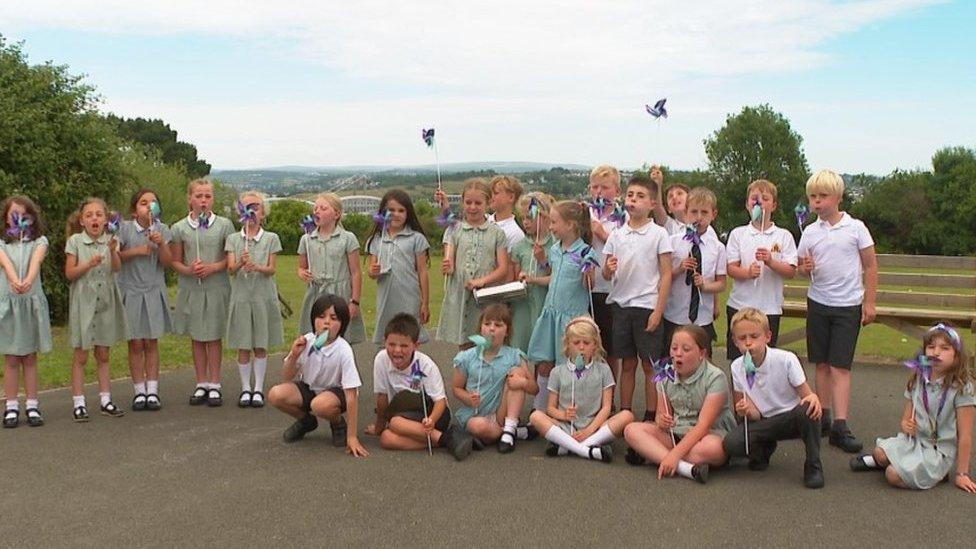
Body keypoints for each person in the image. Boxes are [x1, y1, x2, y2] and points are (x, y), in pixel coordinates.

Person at [797, 169, 878, 453]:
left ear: (839, 197)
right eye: (812, 197)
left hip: (848, 305)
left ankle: (841, 426)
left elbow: (870, 265)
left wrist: (869, 302)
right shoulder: (809, 231)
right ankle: (824, 417)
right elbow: (800, 268)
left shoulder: (855, 228)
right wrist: (804, 269)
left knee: (840, 366)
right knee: (820, 362)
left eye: (822, 196)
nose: (817, 202)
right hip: (818, 302)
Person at [850, 323, 975, 492]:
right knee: (879, 453)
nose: (936, 353)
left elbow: (965, 434)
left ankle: (936, 473)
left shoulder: (961, 387)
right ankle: (905, 465)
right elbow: (906, 418)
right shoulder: (919, 377)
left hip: (938, 451)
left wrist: (962, 474)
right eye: (931, 347)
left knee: (892, 474)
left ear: (957, 355)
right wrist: (906, 425)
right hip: (914, 441)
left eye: (945, 348)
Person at [723, 308, 825, 488]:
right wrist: (745, 410)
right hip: (764, 421)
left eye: (754, 336)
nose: (748, 343)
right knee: (732, 443)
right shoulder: (737, 367)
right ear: (734, 341)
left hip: (791, 417)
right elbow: (751, 415)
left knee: (808, 409)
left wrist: (813, 397)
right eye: (742, 338)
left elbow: (807, 396)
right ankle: (764, 448)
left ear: (767, 336)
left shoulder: (786, 359)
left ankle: (813, 464)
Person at [623, 325, 736, 484]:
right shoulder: (664, 376)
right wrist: (661, 421)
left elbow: (703, 426)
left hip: (707, 434)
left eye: (686, 349)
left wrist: (674, 455)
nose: (678, 354)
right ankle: (686, 469)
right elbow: (661, 417)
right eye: (674, 348)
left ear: (702, 353)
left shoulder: (715, 378)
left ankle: (656, 455)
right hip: (677, 432)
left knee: (714, 448)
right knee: (631, 430)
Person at [602, 174, 672, 420]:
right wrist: (608, 269)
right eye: (631, 195)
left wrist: (658, 311)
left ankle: (651, 415)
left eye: (641, 196)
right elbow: (606, 272)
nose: (634, 200)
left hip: (647, 306)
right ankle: (625, 412)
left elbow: (666, 275)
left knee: (649, 365)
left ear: (652, 203)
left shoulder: (659, 234)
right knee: (627, 364)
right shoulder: (616, 234)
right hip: (621, 306)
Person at [267, 294, 369, 457]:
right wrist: (294, 355)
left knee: (319, 405)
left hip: (335, 393)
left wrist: (352, 436)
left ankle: (337, 424)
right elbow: (286, 377)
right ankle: (306, 421)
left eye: (333, 318)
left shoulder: (343, 350)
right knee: (275, 394)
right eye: (321, 317)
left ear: (342, 324)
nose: (326, 322)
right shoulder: (307, 341)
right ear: (313, 320)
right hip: (310, 388)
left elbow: (351, 395)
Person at [367, 313, 473, 460]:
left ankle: (444, 437)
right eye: (392, 345)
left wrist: (432, 421)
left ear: (416, 346)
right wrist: (378, 427)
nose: (397, 350)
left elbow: (440, 402)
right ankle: (447, 440)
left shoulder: (425, 365)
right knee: (386, 439)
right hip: (405, 414)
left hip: (434, 414)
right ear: (385, 342)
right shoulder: (381, 359)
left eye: (404, 345)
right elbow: (382, 397)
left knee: (395, 423)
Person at [525, 200, 597, 412]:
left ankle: (566, 412)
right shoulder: (555, 250)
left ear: (571, 225)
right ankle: (540, 412)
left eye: (554, 222)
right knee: (545, 365)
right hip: (551, 316)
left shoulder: (586, 252)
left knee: (569, 368)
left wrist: (588, 274)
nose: (550, 227)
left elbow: (589, 286)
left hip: (571, 320)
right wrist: (533, 276)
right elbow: (553, 278)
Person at [529, 317, 633, 461]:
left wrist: (589, 430)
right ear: (568, 345)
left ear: (595, 345)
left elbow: (606, 407)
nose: (581, 347)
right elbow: (550, 409)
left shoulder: (604, 369)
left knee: (627, 415)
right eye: (576, 343)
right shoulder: (557, 372)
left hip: (594, 424)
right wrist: (564, 415)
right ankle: (588, 449)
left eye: (586, 343)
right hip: (566, 426)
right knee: (536, 417)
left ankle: (568, 446)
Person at [170, 179, 235, 406]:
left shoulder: (225, 225)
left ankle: (215, 383)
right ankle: (201, 383)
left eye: (207, 196)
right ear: (190, 199)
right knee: (197, 336)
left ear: (212, 199)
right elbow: (175, 261)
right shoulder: (179, 228)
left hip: (216, 286)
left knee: (213, 335)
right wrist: (189, 269)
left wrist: (213, 267)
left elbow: (230, 257)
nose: (203, 200)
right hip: (192, 288)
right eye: (199, 196)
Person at [64, 198, 128, 421]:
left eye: (99, 215)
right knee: (81, 354)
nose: (94, 219)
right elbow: (70, 274)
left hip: (105, 302)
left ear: (106, 220)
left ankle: (105, 399)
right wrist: (88, 264)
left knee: (103, 353)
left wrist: (113, 252)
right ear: (82, 220)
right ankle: (79, 402)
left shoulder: (112, 240)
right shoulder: (75, 242)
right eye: (89, 215)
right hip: (84, 301)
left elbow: (117, 268)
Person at [725, 179, 797, 360]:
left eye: (765, 199)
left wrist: (772, 262)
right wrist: (747, 273)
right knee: (739, 361)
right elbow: (730, 268)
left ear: (773, 205)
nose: (759, 203)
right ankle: (740, 390)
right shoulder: (738, 234)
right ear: (747, 204)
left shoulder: (783, 236)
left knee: (764, 362)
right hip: (740, 306)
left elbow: (790, 271)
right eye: (754, 198)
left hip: (769, 308)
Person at [452, 304, 538, 453]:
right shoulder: (467, 357)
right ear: (480, 329)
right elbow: (456, 388)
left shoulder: (514, 355)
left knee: (517, 372)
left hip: (501, 413)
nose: (491, 329)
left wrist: (522, 382)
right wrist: (467, 398)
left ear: (507, 332)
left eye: (498, 325)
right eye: (487, 324)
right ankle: (513, 433)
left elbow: (535, 389)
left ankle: (509, 428)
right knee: (477, 426)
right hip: (476, 414)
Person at [225, 191, 283, 408]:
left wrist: (256, 266)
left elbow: (271, 269)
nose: (252, 211)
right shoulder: (233, 239)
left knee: (260, 344)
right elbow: (231, 269)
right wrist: (241, 262)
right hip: (241, 298)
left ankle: (258, 388)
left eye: (256, 207)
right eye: (247, 207)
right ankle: (245, 389)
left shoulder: (271, 239)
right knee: (243, 345)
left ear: (263, 212)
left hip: (262, 298)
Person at [117, 189, 173, 411]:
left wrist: (161, 244)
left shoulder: (162, 229)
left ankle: (152, 391)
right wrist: (137, 251)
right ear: (134, 210)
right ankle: (139, 391)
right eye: (143, 203)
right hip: (131, 290)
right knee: (135, 342)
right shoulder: (124, 229)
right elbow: (116, 257)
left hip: (152, 290)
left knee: (151, 341)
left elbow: (167, 262)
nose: (148, 207)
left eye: (153, 203)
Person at [437, 178, 509, 347]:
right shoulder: (454, 229)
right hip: (461, 293)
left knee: (486, 343)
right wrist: (448, 266)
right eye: (468, 202)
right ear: (462, 202)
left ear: (488, 203)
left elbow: (503, 268)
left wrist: (482, 281)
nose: (473, 207)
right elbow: (449, 259)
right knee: (465, 345)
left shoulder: (496, 233)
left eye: (478, 203)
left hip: (485, 296)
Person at [0, 195, 52, 427]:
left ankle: (32, 405)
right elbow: (7, 265)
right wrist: (14, 280)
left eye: (24, 215)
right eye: (14, 215)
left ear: (31, 218)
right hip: (9, 305)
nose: (18, 219)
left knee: (30, 357)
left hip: (29, 304)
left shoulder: (39, 242)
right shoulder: (2, 244)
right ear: (6, 219)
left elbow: (36, 263)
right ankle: (11, 406)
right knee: (11, 358)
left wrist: (28, 280)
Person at [662, 187, 726, 358]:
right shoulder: (672, 242)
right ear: (686, 213)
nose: (699, 217)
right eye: (694, 212)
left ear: (713, 214)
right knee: (673, 361)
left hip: (702, 317)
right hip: (675, 315)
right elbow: (663, 277)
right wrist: (680, 268)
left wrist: (705, 285)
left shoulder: (718, 248)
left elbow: (721, 283)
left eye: (704, 212)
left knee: (703, 362)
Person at [297, 192, 365, 343]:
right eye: (315, 208)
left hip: (340, 294)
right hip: (316, 294)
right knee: (316, 339)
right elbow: (301, 267)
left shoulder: (348, 238)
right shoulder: (307, 239)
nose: (317, 211)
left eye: (323, 208)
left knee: (340, 340)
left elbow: (356, 272)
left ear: (336, 214)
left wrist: (354, 302)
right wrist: (303, 273)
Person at [367, 189, 432, 344]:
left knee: (409, 336)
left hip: (410, 297)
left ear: (408, 213)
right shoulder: (376, 240)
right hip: (386, 297)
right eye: (391, 210)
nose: (396, 214)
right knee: (387, 335)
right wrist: (373, 271)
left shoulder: (416, 238)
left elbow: (422, 272)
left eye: (401, 210)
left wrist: (425, 303)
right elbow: (372, 272)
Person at [510, 192, 555, 353]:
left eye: (530, 217)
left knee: (543, 354)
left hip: (545, 303)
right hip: (524, 305)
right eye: (523, 218)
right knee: (521, 348)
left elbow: (556, 277)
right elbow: (515, 277)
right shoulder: (520, 246)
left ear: (543, 216)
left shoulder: (556, 244)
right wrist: (520, 279)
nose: (526, 222)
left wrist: (542, 260)